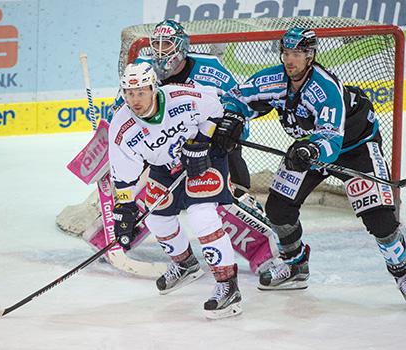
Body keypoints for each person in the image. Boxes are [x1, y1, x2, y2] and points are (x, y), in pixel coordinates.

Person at [214, 27, 406, 300]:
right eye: (286, 53)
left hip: (354, 148)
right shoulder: (275, 78)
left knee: (381, 220)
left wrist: (311, 149)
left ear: (310, 55)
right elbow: (237, 97)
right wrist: (233, 117)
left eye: (297, 54)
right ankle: (296, 265)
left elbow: (331, 137)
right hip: (309, 148)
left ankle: (403, 272)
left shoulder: (324, 87)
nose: (290, 60)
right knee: (279, 209)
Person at [109, 61, 242, 319]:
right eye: (129, 93)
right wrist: (123, 208)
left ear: (153, 88)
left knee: (201, 215)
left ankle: (228, 285)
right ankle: (185, 265)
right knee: (157, 218)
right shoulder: (121, 126)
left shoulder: (180, 95)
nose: (135, 100)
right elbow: (123, 179)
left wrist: (201, 141)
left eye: (141, 92)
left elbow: (216, 109)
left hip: (203, 158)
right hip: (164, 166)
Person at [111, 19, 251, 198]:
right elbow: (121, 108)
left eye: (167, 44)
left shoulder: (211, 69)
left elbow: (237, 104)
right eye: (156, 44)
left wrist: (230, 129)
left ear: (182, 46)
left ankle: (239, 192)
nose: (160, 51)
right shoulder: (142, 70)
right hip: (163, 139)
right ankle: (131, 197)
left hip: (203, 136)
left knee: (226, 139)